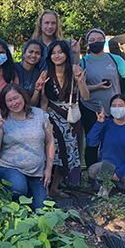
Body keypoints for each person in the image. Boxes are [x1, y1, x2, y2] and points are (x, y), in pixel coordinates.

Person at [0, 84, 55, 211]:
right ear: (5, 103)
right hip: (9, 167)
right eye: (9, 100)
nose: (14, 103)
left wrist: (49, 169)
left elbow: (50, 141)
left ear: (23, 97)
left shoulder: (39, 115)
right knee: (18, 187)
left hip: (36, 171)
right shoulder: (2, 120)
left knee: (40, 212)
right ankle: (9, 207)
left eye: (16, 98)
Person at [79, 28, 125, 167]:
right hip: (90, 108)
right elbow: (79, 88)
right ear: (87, 43)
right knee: (92, 142)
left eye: (99, 39)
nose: (96, 42)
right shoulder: (84, 62)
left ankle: (113, 172)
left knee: (111, 142)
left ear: (104, 41)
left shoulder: (114, 59)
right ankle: (92, 173)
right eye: (92, 40)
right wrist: (98, 86)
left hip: (113, 109)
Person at [36, 40, 89, 195]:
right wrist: (41, 119)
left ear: (66, 53)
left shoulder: (75, 70)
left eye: (60, 52)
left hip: (70, 118)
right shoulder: (46, 74)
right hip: (51, 117)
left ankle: (55, 188)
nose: (57, 56)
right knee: (49, 152)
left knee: (67, 153)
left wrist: (80, 83)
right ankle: (44, 189)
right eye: (53, 53)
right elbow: (45, 100)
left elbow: (85, 96)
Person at [86, 94, 125, 195]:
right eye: (114, 106)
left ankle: (117, 182)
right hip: (108, 166)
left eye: (120, 106)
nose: (117, 108)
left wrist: (120, 173)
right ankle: (108, 183)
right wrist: (99, 123)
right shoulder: (105, 124)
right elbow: (90, 142)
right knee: (92, 170)